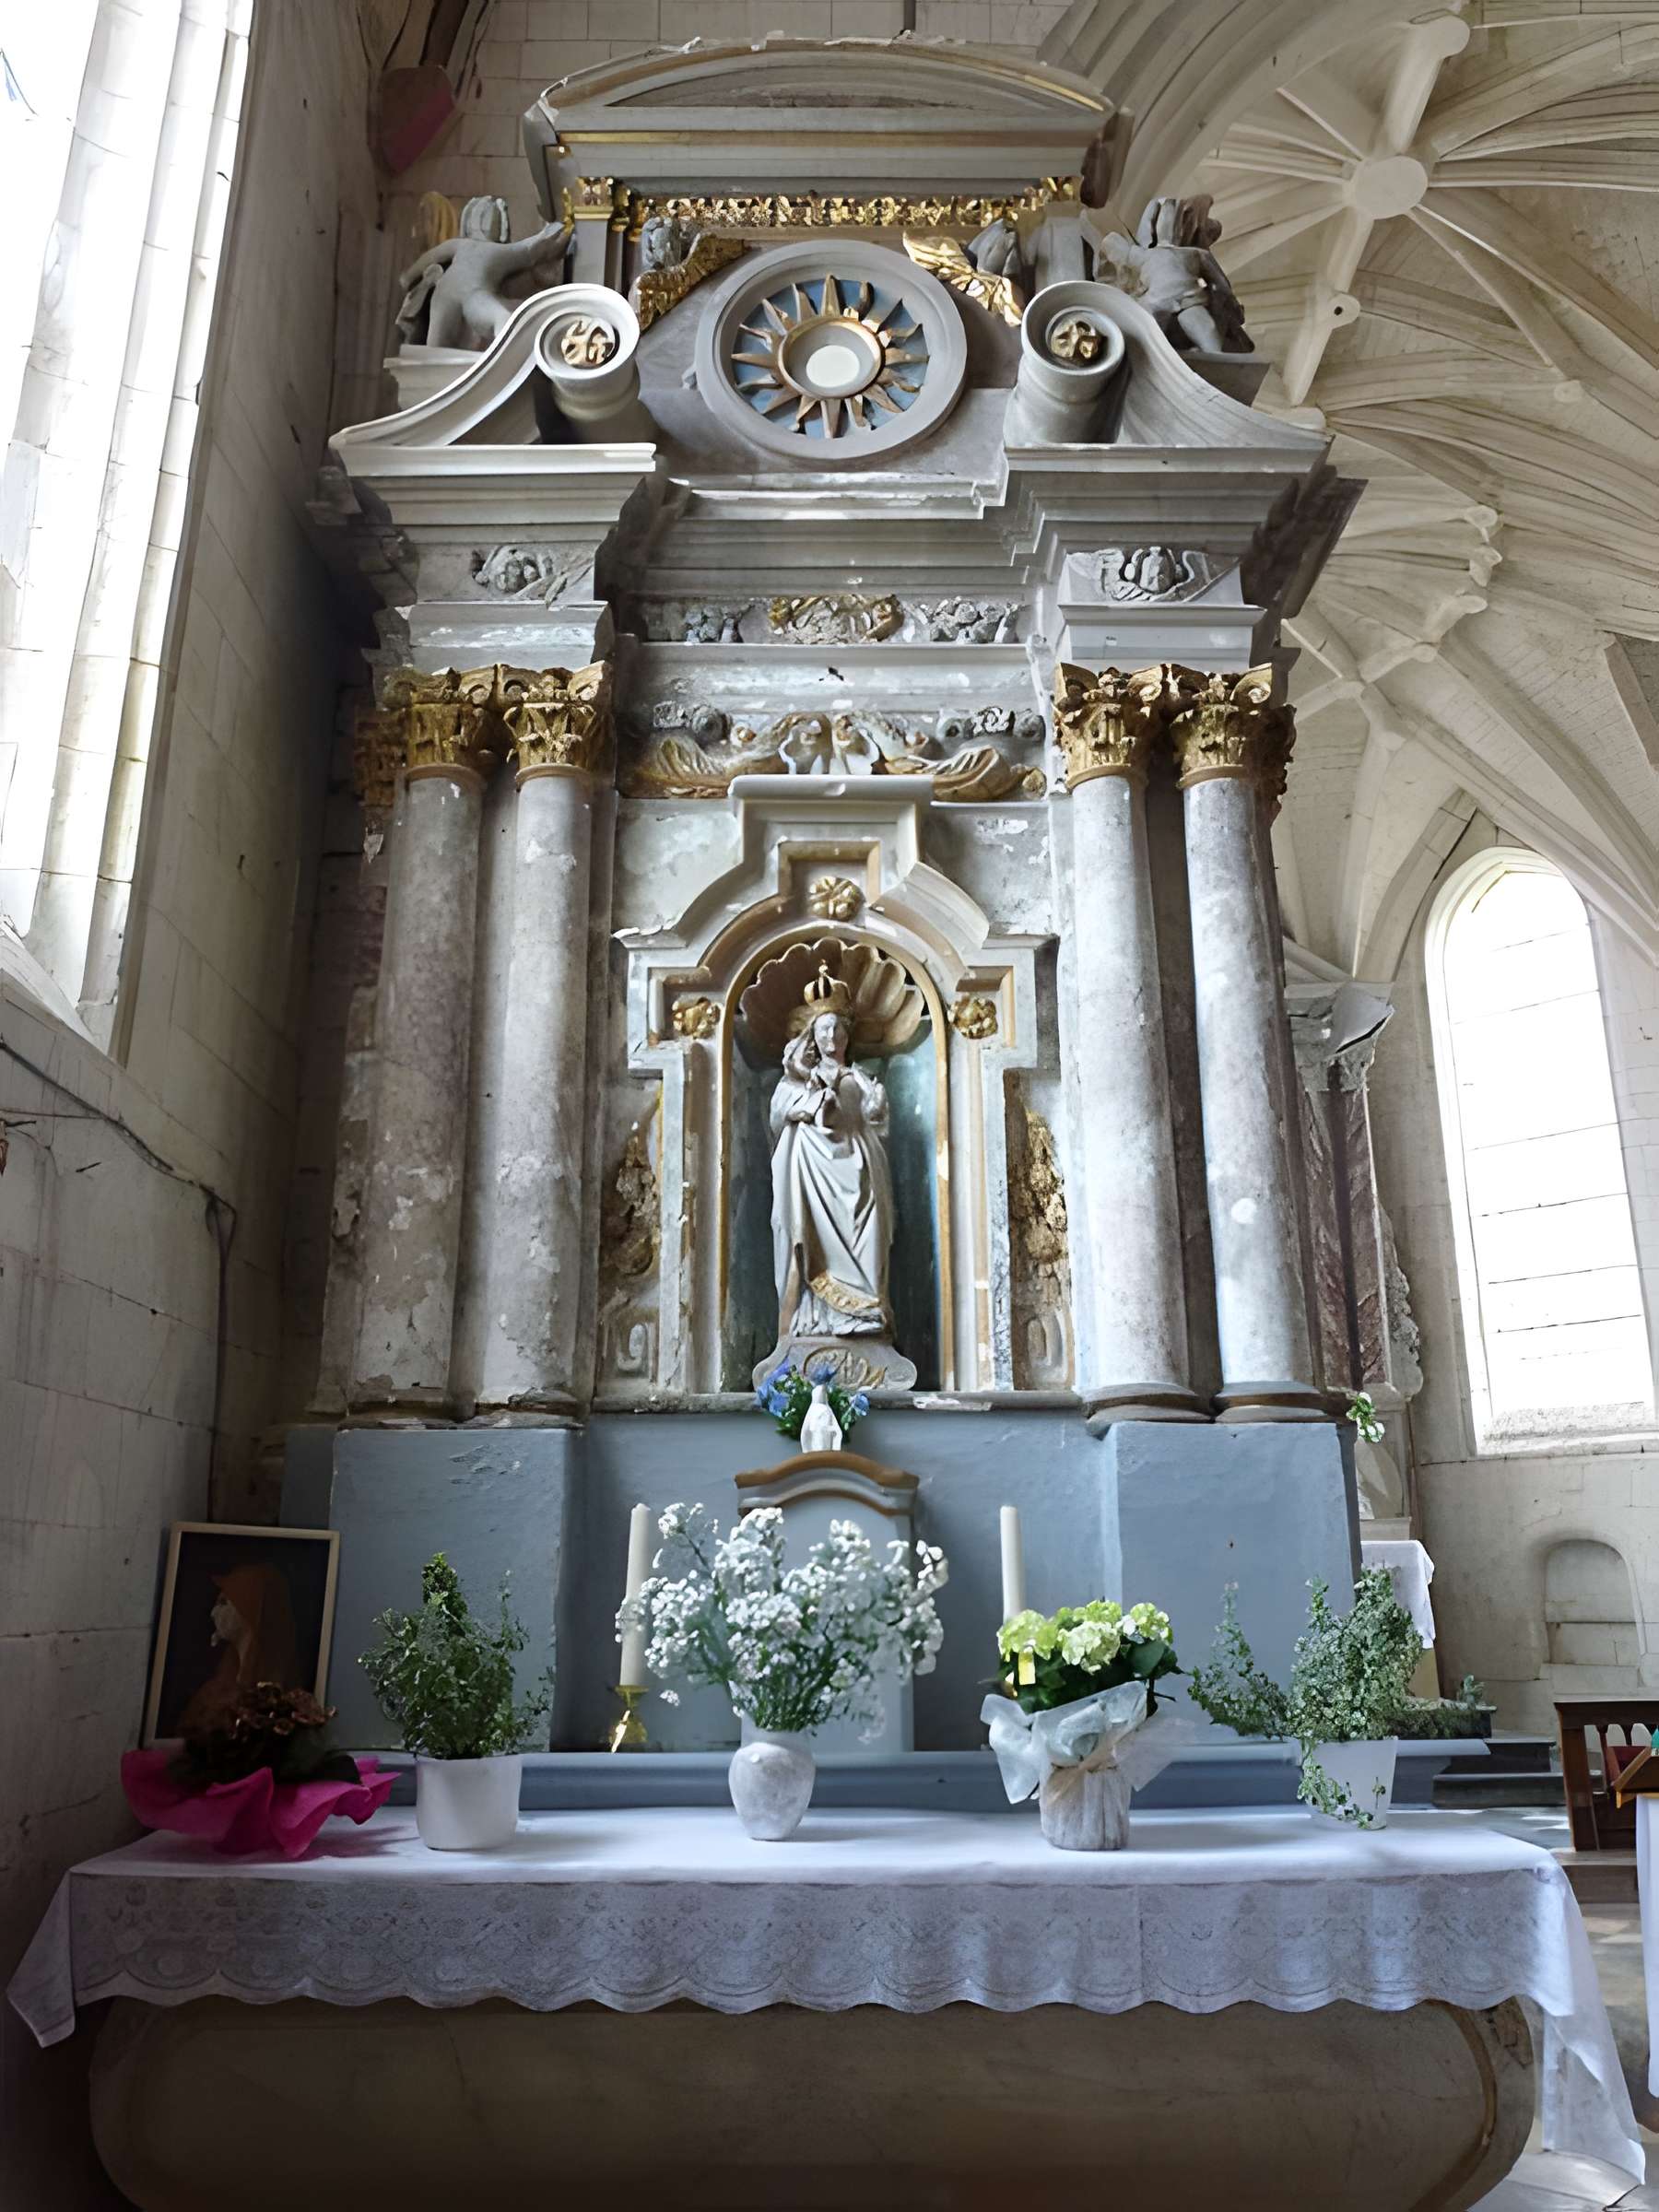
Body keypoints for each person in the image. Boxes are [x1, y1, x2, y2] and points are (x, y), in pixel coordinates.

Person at [769, 970, 895, 1341]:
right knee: (810, 1239)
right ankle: (817, 1316)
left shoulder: (860, 1077)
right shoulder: (799, 1078)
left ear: (847, 1035)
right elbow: (780, 1113)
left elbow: (876, 1125)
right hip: (813, 1168)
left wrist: (877, 1108)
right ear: (813, 1036)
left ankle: (866, 1311)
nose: (831, 1037)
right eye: (823, 1030)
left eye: (837, 1029)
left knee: (872, 1232)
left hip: (859, 1166)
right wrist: (811, 1100)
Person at [176, 1562, 300, 1734]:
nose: (213, 1612)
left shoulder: (277, 1694)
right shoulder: (219, 1680)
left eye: (223, 1603)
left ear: (249, 1610)